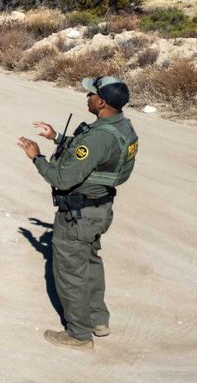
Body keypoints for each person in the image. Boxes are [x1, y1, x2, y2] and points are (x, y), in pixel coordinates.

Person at [16, 76, 139, 350]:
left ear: (102, 102)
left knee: (71, 272)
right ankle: (98, 320)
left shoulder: (98, 137)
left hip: (79, 214)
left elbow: (62, 178)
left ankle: (79, 334)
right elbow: (94, 154)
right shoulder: (122, 127)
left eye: (91, 95)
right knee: (91, 262)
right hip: (100, 209)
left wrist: (37, 157)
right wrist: (57, 137)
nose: (87, 98)